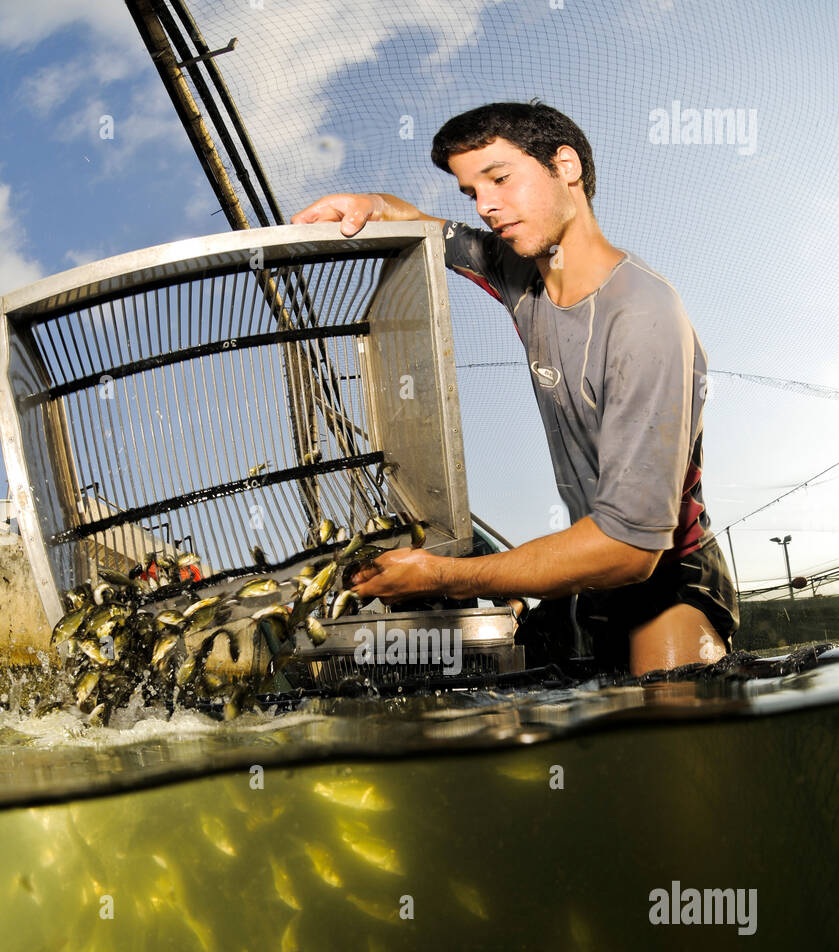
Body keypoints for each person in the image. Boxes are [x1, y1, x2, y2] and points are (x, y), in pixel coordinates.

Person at [291, 101, 739, 676]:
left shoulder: (643, 318)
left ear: (566, 166)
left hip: (664, 570)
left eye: (500, 178)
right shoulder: (519, 272)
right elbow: (430, 230)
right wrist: (371, 206)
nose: (486, 206)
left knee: (668, 739)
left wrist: (443, 576)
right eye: (471, 191)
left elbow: (630, 548)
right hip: (592, 571)